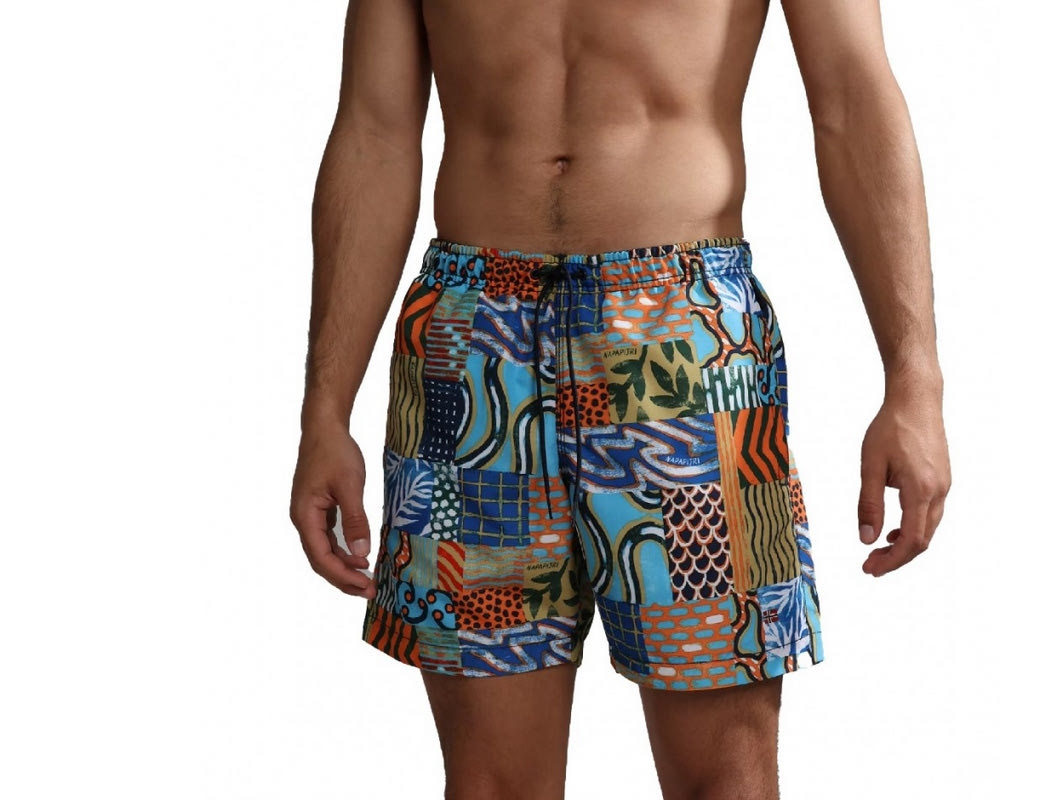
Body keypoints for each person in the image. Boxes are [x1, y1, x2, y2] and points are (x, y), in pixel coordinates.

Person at [289, 1, 951, 797]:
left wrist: (914, 379)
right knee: (491, 782)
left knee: (725, 777)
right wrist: (324, 413)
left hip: (682, 343)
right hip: (471, 339)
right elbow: (375, 134)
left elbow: (851, 96)